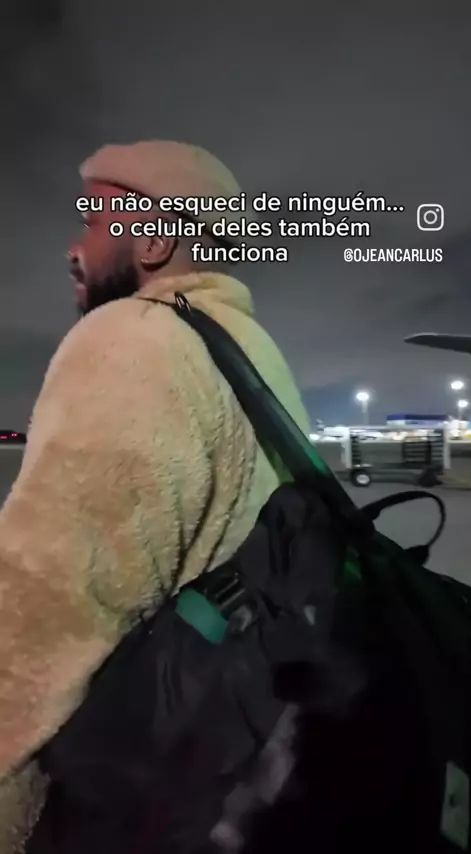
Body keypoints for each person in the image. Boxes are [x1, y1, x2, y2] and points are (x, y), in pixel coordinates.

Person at [0, 140, 309, 851]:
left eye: (92, 222)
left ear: (154, 240)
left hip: (127, 804)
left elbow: (42, 621)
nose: (74, 248)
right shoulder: (247, 347)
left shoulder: (133, 341)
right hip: (235, 780)